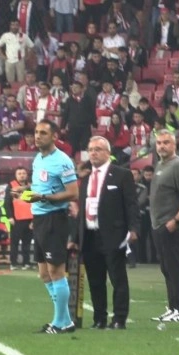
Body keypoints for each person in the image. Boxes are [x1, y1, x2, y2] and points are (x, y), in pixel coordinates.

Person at [72, 136, 139, 330]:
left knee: (117, 278)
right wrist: (75, 237)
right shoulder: (85, 179)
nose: (93, 153)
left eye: (98, 149)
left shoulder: (122, 174)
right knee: (95, 279)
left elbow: (131, 204)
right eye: (91, 149)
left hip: (113, 234)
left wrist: (134, 228)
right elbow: (81, 209)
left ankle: (119, 318)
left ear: (108, 153)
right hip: (90, 234)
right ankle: (99, 318)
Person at [27, 119, 79, 334]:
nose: (38, 136)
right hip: (39, 218)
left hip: (54, 219)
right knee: (44, 274)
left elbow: (73, 192)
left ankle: (59, 322)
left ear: (54, 136)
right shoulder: (38, 158)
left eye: (43, 133)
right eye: (36, 132)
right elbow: (40, 188)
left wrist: (43, 197)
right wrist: (25, 192)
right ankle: (65, 321)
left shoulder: (63, 161)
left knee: (56, 271)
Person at [149, 130, 179, 322]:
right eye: (159, 143)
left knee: (174, 268)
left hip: (171, 225)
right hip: (159, 224)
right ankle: (172, 308)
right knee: (166, 268)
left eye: (166, 142)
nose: (161, 146)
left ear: (174, 145)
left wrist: (178, 221)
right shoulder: (161, 165)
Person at [4, 166, 33, 270]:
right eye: (19, 173)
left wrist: (34, 220)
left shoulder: (31, 186)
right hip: (16, 220)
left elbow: (35, 203)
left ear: (27, 175)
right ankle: (13, 263)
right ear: (16, 175)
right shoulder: (11, 185)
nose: (22, 175)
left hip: (29, 219)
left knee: (27, 243)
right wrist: (10, 217)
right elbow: (7, 203)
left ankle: (26, 263)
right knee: (14, 243)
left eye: (23, 173)